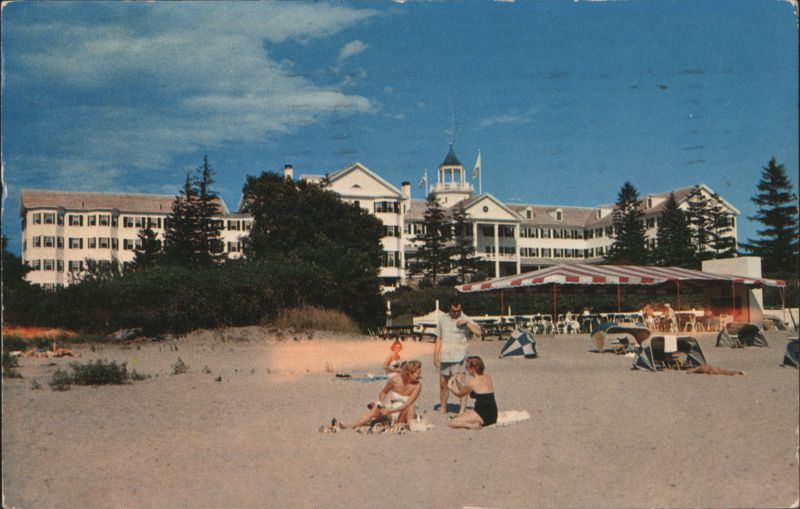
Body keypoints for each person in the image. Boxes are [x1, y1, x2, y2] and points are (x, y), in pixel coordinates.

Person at [338, 360, 422, 429]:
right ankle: (353, 425)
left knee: (411, 406)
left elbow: (407, 404)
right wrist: (381, 404)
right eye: (417, 373)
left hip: (403, 414)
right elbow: (383, 392)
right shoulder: (395, 380)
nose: (419, 376)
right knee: (375, 408)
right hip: (391, 410)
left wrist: (389, 411)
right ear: (409, 373)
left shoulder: (417, 386)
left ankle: (406, 426)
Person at [433, 297, 482, 414]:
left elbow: (479, 332)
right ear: (449, 308)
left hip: (459, 355)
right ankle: (443, 407)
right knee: (443, 384)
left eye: (458, 311)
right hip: (445, 355)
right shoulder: (442, 319)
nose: (456, 313)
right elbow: (439, 337)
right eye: (454, 311)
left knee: (460, 383)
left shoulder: (465, 318)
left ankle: (462, 409)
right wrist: (436, 355)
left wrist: (467, 325)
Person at [447, 356, 498, 430]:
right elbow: (475, 393)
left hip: (482, 415)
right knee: (462, 415)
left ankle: (471, 426)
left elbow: (459, 394)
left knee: (452, 422)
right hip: (493, 415)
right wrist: (461, 382)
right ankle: (472, 422)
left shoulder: (472, 382)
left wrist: (450, 386)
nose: (466, 369)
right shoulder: (488, 377)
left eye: (467, 367)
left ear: (473, 368)